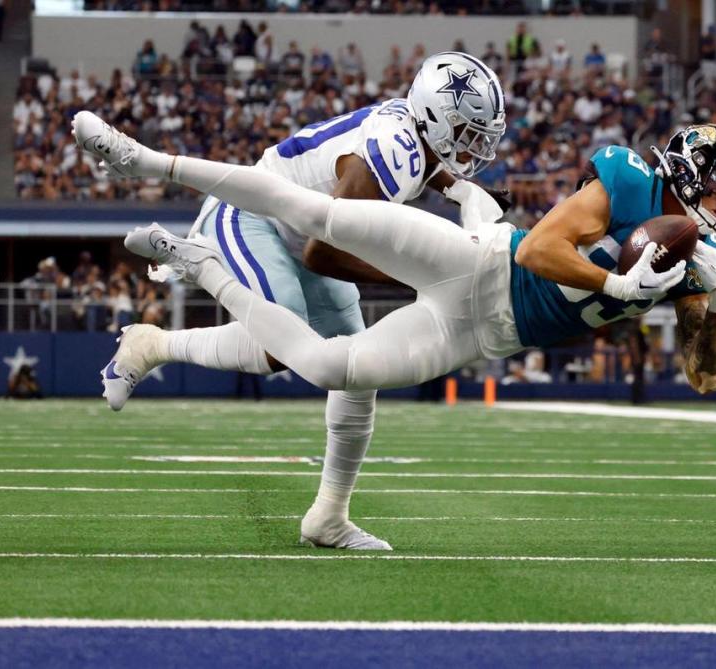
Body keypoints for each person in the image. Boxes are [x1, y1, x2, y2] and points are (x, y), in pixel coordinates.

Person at [75, 115, 716, 433]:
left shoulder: (707, 258)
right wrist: (615, 286)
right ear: (690, 172)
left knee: (331, 367)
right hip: (480, 261)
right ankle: (145, 159)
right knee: (325, 216)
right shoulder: (629, 182)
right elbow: (536, 250)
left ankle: (202, 270)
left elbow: (706, 375)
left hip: (481, 335)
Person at [88, 52, 507, 552]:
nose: (476, 146)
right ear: (436, 117)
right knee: (278, 346)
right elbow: (324, 251)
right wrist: (419, 280)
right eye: (466, 133)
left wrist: (460, 190)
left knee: (359, 368)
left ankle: (329, 517)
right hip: (252, 217)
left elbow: (418, 174)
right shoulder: (394, 152)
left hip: (296, 230)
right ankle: (153, 341)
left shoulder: (411, 132)